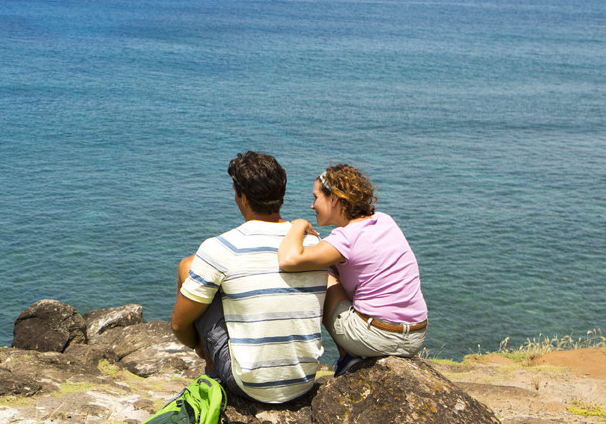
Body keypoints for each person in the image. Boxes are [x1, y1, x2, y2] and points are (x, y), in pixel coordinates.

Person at [170, 152, 328, 404]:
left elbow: (178, 325)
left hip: (250, 386)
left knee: (189, 267)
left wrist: (201, 346)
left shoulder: (222, 247)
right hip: (303, 380)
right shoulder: (312, 243)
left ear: (241, 196)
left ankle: (212, 365)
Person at [277, 164, 426, 372]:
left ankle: (347, 356)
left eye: (315, 197)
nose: (312, 206)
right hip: (416, 336)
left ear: (334, 199)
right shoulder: (384, 220)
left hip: (378, 337)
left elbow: (289, 260)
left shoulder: (345, 238)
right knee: (336, 269)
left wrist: (298, 225)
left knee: (322, 274)